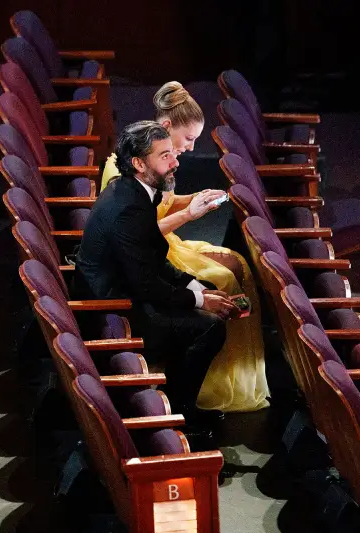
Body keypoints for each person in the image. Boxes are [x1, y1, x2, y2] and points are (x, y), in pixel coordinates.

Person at [100, 83, 269, 412]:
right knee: (223, 281)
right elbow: (136, 236)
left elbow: (164, 204)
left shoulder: (158, 158)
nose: (191, 147)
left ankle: (219, 376)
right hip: (141, 261)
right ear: (166, 127)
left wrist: (195, 199)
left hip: (161, 247)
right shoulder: (126, 172)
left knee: (238, 264)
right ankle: (199, 387)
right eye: (188, 138)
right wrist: (189, 214)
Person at [75, 121, 237, 428]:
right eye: (165, 156)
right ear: (139, 163)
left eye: (172, 153)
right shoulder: (129, 207)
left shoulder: (135, 190)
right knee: (210, 329)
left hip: (128, 288)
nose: (176, 162)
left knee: (206, 286)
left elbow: (152, 258)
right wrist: (200, 301)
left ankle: (177, 396)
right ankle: (180, 412)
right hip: (114, 309)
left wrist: (195, 287)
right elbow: (145, 284)